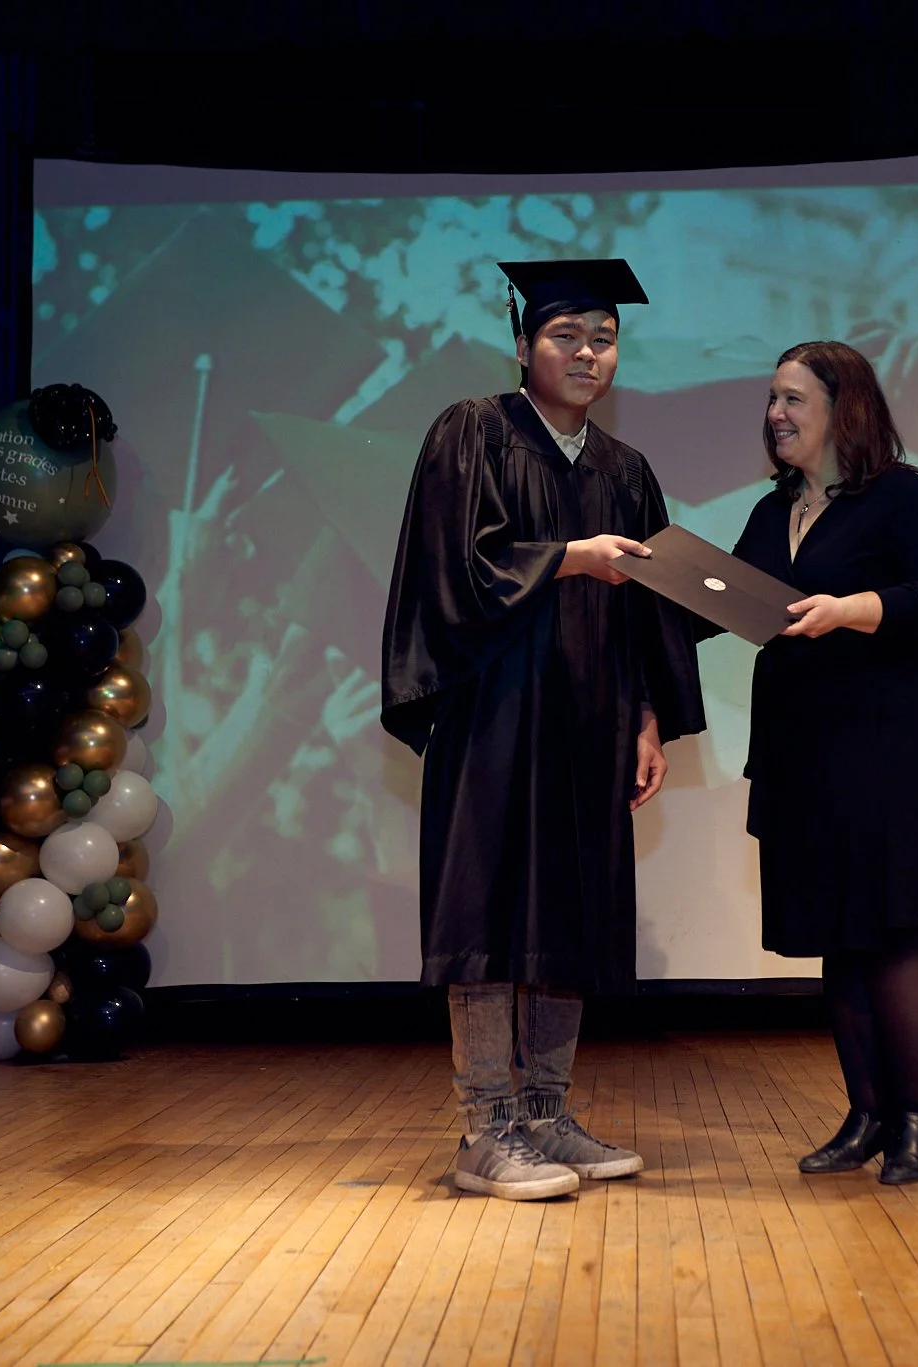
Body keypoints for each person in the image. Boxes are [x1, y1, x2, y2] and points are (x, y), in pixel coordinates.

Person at [380, 258, 706, 1202]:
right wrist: (567, 556)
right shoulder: (473, 432)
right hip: (494, 714)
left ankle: (546, 1115)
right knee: (488, 912)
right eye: (567, 336)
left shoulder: (624, 469)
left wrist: (648, 715)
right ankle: (485, 1129)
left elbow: (649, 609)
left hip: (592, 718)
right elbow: (451, 570)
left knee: (570, 912)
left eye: (604, 337)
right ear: (524, 344)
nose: (588, 352)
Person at [714, 340, 918, 1185]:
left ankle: (917, 1120)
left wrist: (852, 609)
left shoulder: (897, 495)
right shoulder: (771, 512)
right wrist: (647, 579)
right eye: (771, 398)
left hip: (892, 740)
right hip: (803, 748)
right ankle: (865, 1115)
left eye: (792, 398)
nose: (775, 414)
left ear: (843, 408)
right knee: (839, 932)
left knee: (897, 927)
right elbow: (730, 601)